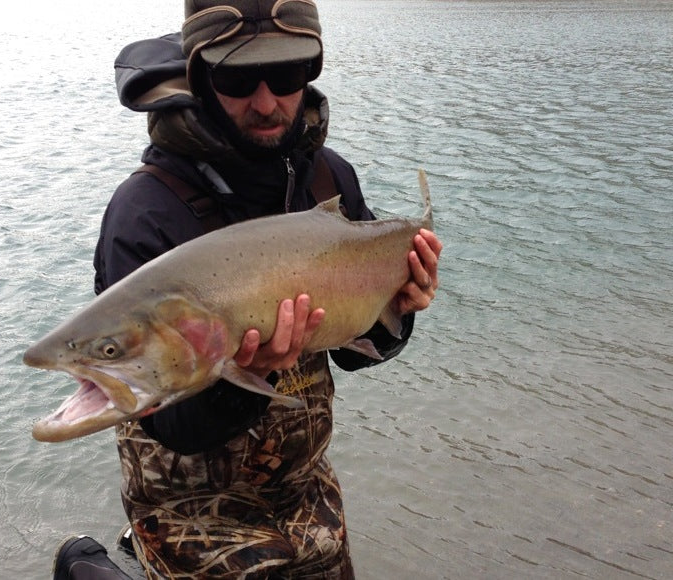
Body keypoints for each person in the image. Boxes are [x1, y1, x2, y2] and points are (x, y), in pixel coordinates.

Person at [56, 1, 442, 578]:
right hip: (188, 512)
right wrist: (250, 375)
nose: (266, 103)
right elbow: (173, 429)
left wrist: (400, 309)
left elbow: (355, 351)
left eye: (285, 76)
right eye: (238, 79)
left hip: (305, 495)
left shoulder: (326, 177)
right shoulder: (145, 213)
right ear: (200, 76)